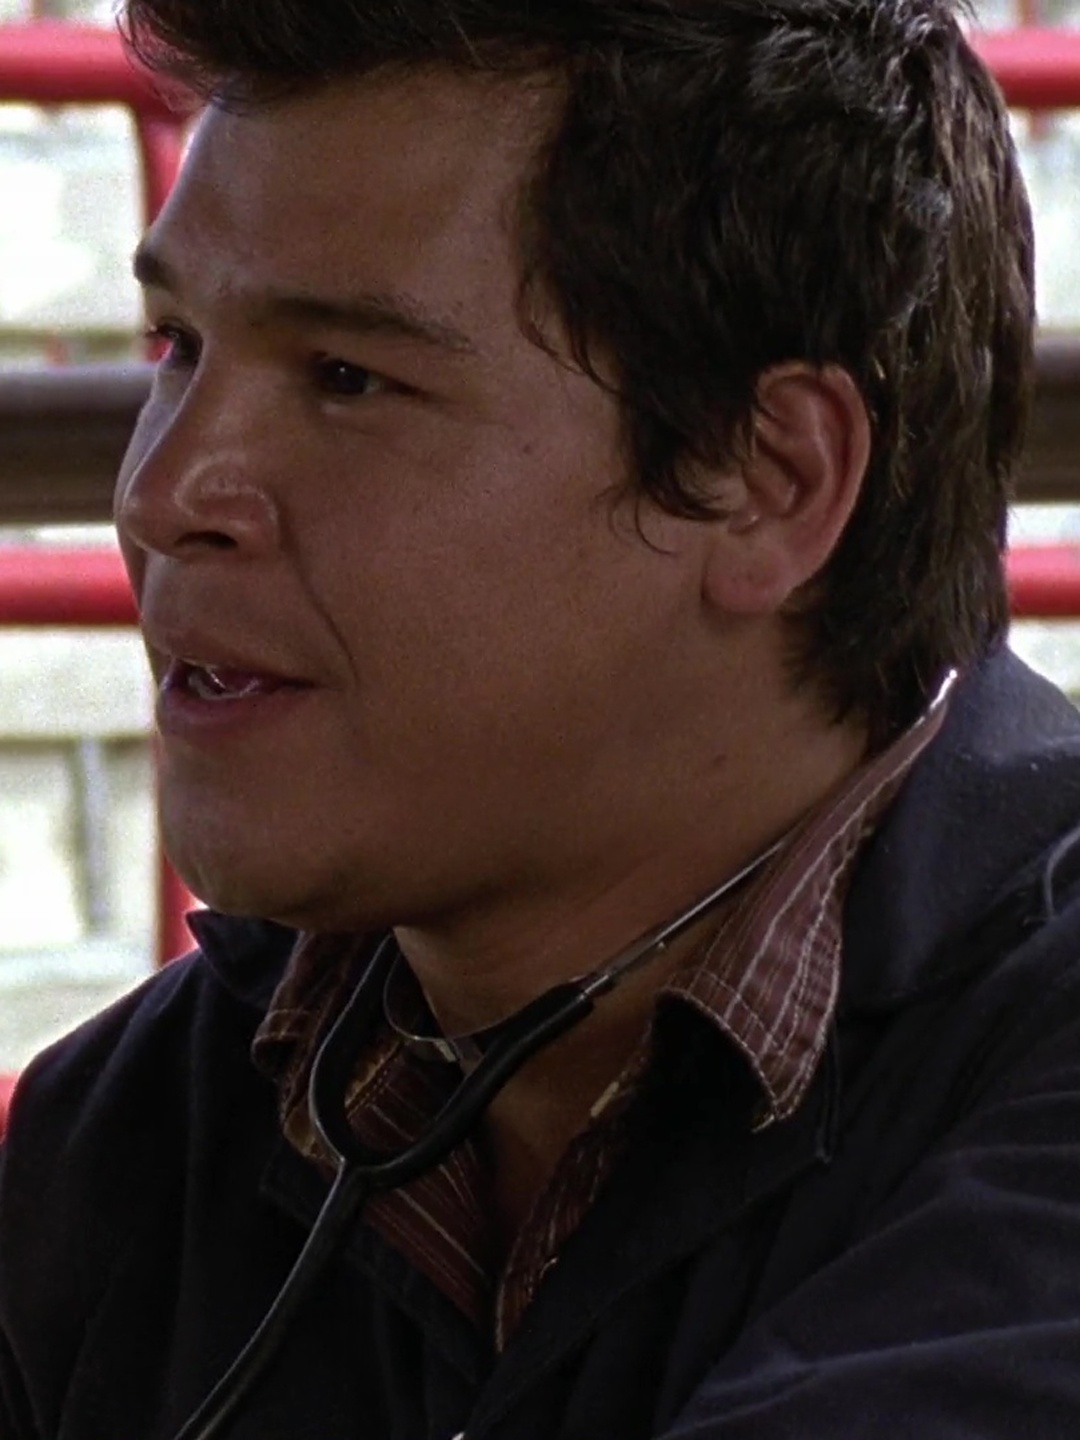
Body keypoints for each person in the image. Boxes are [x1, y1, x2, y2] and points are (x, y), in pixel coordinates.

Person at [3, 0, 1080, 1435]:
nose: (163, 495)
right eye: (178, 349)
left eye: (347, 380)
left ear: (767, 481)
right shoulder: (139, 1132)